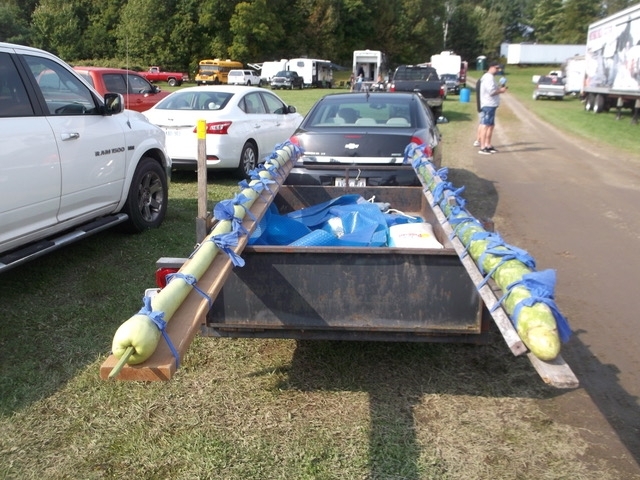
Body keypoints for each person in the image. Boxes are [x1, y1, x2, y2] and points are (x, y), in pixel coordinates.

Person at [478, 61, 507, 155]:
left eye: (499, 68)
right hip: (488, 104)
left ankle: (488, 145)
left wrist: (499, 87)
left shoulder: (490, 77)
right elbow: (491, 92)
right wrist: (501, 90)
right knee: (485, 125)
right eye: (497, 68)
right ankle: (482, 147)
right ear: (491, 67)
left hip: (491, 104)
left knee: (490, 125)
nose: (498, 70)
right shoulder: (488, 77)